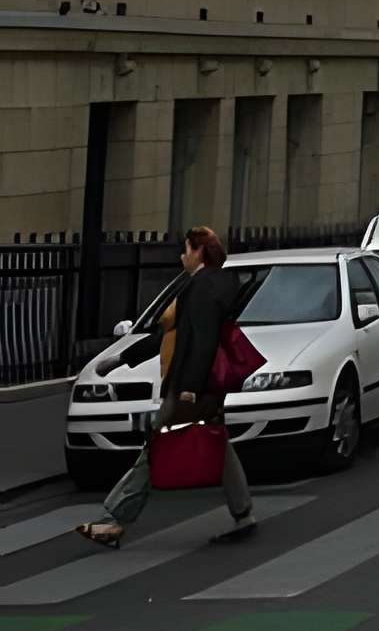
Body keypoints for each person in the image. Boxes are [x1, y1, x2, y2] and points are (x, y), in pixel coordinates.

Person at [76, 225, 256, 548]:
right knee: (219, 443)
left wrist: (189, 386)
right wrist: (120, 360)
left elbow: (202, 341)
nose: (182, 256)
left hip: (190, 387)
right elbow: (172, 337)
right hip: (206, 386)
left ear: (199, 251)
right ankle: (243, 513)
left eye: (186, 249)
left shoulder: (202, 288)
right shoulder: (211, 284)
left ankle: (114, 520)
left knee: (154, 448)